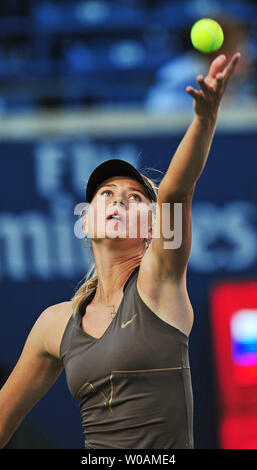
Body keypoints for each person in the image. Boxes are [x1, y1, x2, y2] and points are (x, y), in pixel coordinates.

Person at [0, 52, 240, 449]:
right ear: (85, 222)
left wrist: (204, 118)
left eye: (133, 197)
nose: (117, 200)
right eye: (106, 194)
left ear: (153, 227)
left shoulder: (159, 283)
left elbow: (177, 193)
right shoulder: (54, 324)